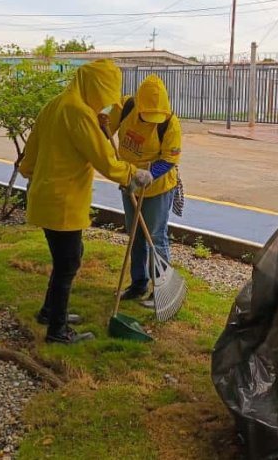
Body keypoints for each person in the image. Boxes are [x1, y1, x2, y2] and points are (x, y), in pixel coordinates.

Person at [19, 59, 153, 344]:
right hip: (63, 201)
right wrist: (133, 174)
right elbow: (104, 158)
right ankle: (57, 331)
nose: (106, 102)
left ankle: (50, 311)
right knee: (68, 263)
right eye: (104, 95)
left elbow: (31, 149)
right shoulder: (78, 112)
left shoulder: (56, 104)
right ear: (93, 87)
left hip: (47, 194)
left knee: (67, 257)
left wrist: (29, 172)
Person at [103, 75, 182, 301]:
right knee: (135, 234)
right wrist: (103, 116)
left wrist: (150, 174)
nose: (151, 121)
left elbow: (169, 159)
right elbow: (108, 114)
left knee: (155, 237)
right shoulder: (126, 105)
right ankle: (138, 283)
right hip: (129, 182)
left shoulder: (170, 124)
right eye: (147, 116)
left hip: (157, 187)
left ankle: (162, 291)